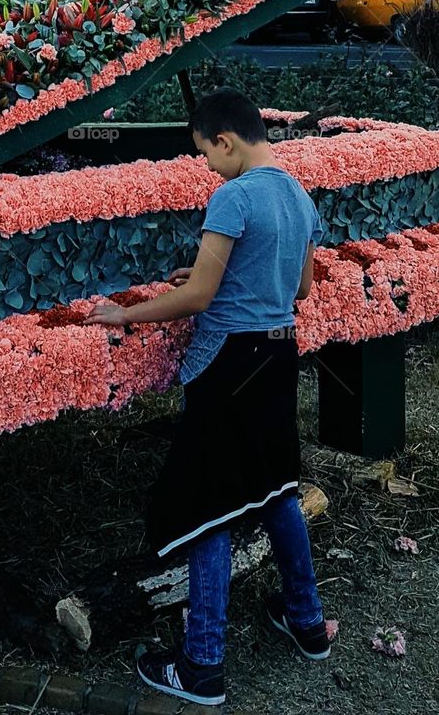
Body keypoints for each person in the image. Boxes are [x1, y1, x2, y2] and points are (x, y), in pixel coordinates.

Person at [82, 89, 330, 706]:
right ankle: (306, 621)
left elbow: (199, 301)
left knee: (208, 504)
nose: (208, 167)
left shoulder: (234, 196)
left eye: (205, 153)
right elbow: (297, 286)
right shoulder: (298, 195)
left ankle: (202, 664)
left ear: (225, 139)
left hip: (228, 363)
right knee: (276, 489)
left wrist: (123, 314)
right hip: (278, 355)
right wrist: (206, 277)